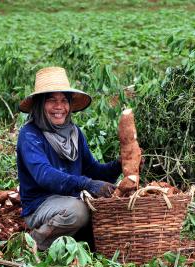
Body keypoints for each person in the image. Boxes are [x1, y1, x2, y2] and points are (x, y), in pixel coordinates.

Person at [16, 66, 122, 250]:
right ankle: (33, 243)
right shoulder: (30, 135)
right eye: (52, 101)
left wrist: (119, 165)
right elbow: (45, 175)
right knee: (78, 211)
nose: (59, 107)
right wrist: (87, 184)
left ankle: (74, 245)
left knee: (104, 211)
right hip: (40, 205)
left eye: (64, 100)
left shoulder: (75, 134)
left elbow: (92, 170)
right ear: (40, 105)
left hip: (70, 199)